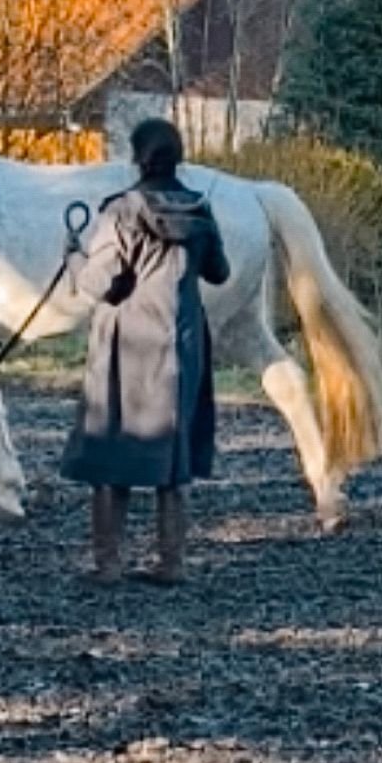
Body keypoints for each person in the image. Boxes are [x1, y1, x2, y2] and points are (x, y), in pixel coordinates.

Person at [60, 117, 230, 585]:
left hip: (126, 344)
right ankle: (171, 563)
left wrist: (74, 257)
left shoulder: (121, 211)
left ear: (138, 158)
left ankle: (108, 563)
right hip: (183, 343)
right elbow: (219, 272)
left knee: (111, 449)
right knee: (173, 456)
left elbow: (103, 285)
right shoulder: (200, 208)